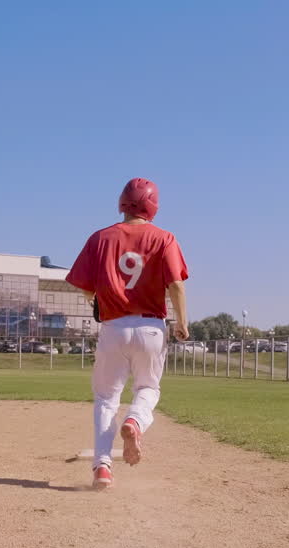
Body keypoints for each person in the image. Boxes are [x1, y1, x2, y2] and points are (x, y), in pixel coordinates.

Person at [66, 178, 190, 490]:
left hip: (113, 327)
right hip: (150, 327)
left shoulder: (101, 238)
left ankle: (103, 467)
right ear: (153, 206)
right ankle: (135, 420)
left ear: (122, 203)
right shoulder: (165, 238)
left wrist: (96, 300)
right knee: (148, 388)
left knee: (107, 397)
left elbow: (83, 286)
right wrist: (182, 322)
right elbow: (175, 284)